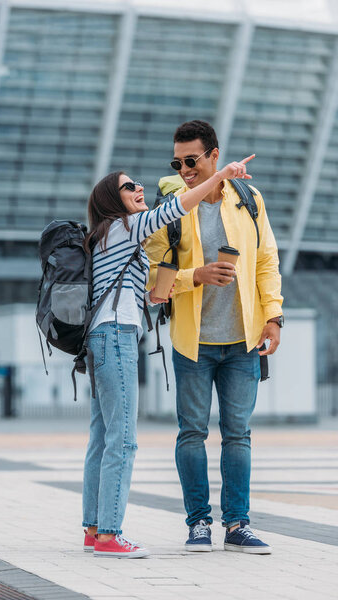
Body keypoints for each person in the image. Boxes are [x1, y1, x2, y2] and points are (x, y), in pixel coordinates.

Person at [82, 155, 254, 558]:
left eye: (138, 183)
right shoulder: (127, 225)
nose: (139, 189)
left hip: (100, 337)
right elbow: (180, 205)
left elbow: (148, 294)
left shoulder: (108, 236)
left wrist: (171, 286)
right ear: (113, 199)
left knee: (101, 436)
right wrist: (224, 175)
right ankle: (109, 534)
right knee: (122, 440)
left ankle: (94, 528)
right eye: (129, 187)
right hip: (116, 336)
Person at [145, 120, 283, 554]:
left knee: (238, 434)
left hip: (243, 340)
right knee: (191, 433)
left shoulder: (248, 199)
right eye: (177, 162)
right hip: (193, 342)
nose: (184, 169)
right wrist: (197, 276)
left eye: (192, 160)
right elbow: (155, 282)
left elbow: (266, 260)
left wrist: (274, 316)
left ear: (214, 155)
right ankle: (198, 524)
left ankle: (237, 524)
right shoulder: (170, 208)